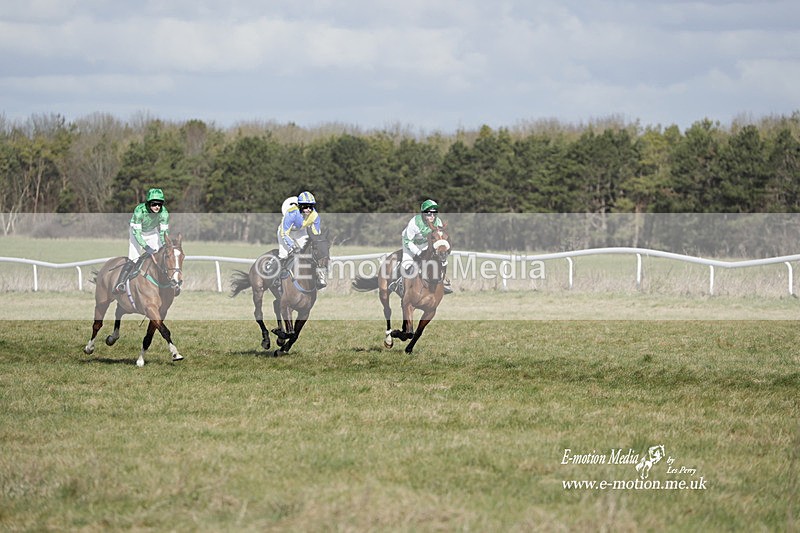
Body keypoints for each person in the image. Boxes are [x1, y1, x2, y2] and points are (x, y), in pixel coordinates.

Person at [389, 199, 452, 297]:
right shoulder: (414, 222)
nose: (432, 216)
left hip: (426, 243)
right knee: (407, 263)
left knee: (441, 261)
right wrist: (418, 252)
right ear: (423, 213)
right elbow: (407, 241)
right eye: (428, 214)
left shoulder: (438, 222)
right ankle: (396, 283)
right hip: (410, 243)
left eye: (434, 213)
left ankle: (442, 283)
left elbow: (439, 238)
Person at [113, 188, 170, 294]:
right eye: (154, 204)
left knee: (161, 255)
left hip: (152, 231)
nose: (157, 207)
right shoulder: (139, 211)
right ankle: (120, 284)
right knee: (134, 258)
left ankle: (168, 283)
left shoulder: (164, 213)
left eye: (160, 204)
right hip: (136, 232)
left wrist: (166, 244)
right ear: (148, 203)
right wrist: (146, 247)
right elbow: (137, 234)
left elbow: (163, 233)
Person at [275, 190, 325, 287]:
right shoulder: (291, 214)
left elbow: (316, 234)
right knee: (284, 255)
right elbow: (284, 234)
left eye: (311, 206)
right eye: (305, 206)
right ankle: (277, 279)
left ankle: (319, 277)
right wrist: (292, 246)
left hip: (300, 231)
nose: (308, 209)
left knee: (308, 253)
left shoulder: (315, 216)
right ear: (300, 205)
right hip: (285, 233)